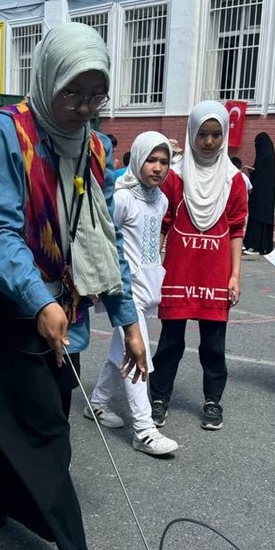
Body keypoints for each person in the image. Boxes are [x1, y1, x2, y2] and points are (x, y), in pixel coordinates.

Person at [0, 22, 147, 550]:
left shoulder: (93, 145)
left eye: (95, 96)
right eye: (73, 93)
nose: (84, 107)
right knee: (23, 421)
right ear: (47, 79)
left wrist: (129, 319)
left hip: (62, 307)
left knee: (41, 418)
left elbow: (102, 237)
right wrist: (37, 299)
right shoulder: (3, 133)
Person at [148, 101, 248, 431]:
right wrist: (153, 267)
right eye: (202, 134)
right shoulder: (175, 175)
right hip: (178, 271)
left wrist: (234, 276)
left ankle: (212, 401)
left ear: (225, 135)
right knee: (170, 342)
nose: (208, 141)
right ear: (192, 133)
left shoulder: (234, 181)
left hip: (214, 274)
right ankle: (159, 398)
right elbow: (162, 223)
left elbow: (236, 230)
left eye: (216, 134)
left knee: (214, 345)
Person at [85, 132, 180, 457]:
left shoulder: (162, 199)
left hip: (149, 286)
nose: (157, 168)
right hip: (126, 290)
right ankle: (144, 430)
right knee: (139, 355)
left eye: (164, 161)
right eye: (151, 160)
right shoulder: (122, 198)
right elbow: (103, 240)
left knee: (123, 348)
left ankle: (96, 404)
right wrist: (101, 283)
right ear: (137, 159)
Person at [243, 132, 275, 257]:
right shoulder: (265, 157)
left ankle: (256, 246)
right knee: (256, 218)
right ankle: (254, 245)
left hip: (262, 198)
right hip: (261, 197)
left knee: (258, 219)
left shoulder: (267, 159)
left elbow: (262, 177)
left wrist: (253, 172)